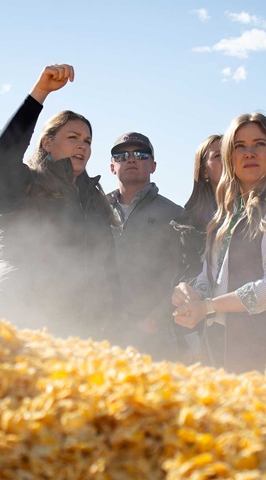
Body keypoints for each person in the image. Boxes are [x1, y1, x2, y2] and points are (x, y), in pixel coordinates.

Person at [172, 113, 266, 382]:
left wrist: (209, 307)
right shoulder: (228, 212)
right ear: (229, 156)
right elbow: (213, 279)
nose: (249, 153)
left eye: (259, 144)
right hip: (222, 347)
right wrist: (192, 293)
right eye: (239, 146)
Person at [0, 64, 119, 340]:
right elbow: (3, 155)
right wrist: (41, 93)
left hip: (81, 329)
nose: (82, 145)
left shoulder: (94, 198)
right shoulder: (22, 186)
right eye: (72, 138)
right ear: (47, 144)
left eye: (87, 140)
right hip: (21, 322)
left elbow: (106, 267)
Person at [106, 132, 184, 360]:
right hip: (104, 331)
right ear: (112, 166)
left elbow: (183, 272)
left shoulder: (174, 214)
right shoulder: (96, 211)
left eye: (140, 154)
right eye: (121, 155)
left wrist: (157, 318)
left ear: (153, 165)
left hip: (154, 335)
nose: (130, 159)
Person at [169, 134, 223, 363]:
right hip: (201, 329)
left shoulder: (262, 208)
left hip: (251, 325)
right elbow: (180, 273)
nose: (228, 160)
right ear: (203, 170)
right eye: (218, 156)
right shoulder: (185, 222)